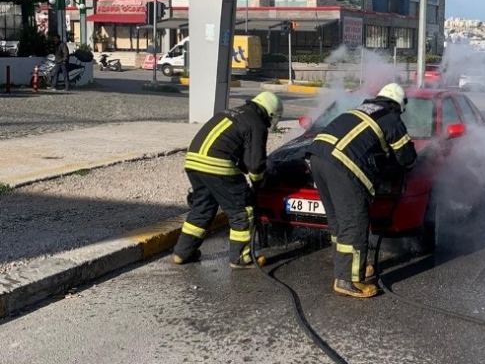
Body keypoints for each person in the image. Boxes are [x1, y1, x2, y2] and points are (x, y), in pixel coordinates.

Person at [307, 82, 417, 299]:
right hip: (344, 166)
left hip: (317, 157)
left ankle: (347, 267)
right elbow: (407, 158)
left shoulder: (360, 109)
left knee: (339, 222)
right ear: (398, 104)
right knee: (355, 222)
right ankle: (348, 280)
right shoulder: (391, 118)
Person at [172, 91, 283, 269]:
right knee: (243, 210)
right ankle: (241, 258)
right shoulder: (256, 123)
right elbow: (255, 165)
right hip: (217, 165)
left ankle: (182, 252)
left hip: (194, 161)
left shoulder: (233, 112)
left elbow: (238, 152)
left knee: (202, 208)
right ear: (270, 114)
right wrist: (259, 182)